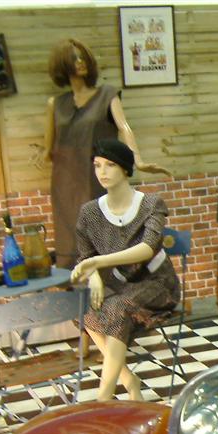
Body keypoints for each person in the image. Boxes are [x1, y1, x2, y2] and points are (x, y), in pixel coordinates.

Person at [38, 39, 169, 269]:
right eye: (74, 58)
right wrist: (41, 154)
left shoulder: (107, 95)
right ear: (63, 64)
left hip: (98, 176)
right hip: (65, 181)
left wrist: (137, 160)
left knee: (104, 227)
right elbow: (48, 149)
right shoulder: (55, 104)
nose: (80, 62)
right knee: (70, 236)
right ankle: (76, 282)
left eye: (83, 57)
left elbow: (124, 127)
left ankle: (113, 279)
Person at [69, 140, 179, 402]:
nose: (102, 172)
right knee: (82, 306)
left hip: (157, 283)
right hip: (121, 285)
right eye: (97, 165)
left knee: (116, 308)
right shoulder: (89, 212)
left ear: (126, 169)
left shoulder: (151, 204)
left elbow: (147, 248)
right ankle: (129, 380)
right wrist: (94, 277)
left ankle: (103, 398)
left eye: (110, 165)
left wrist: (98, 263)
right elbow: (86, 256)